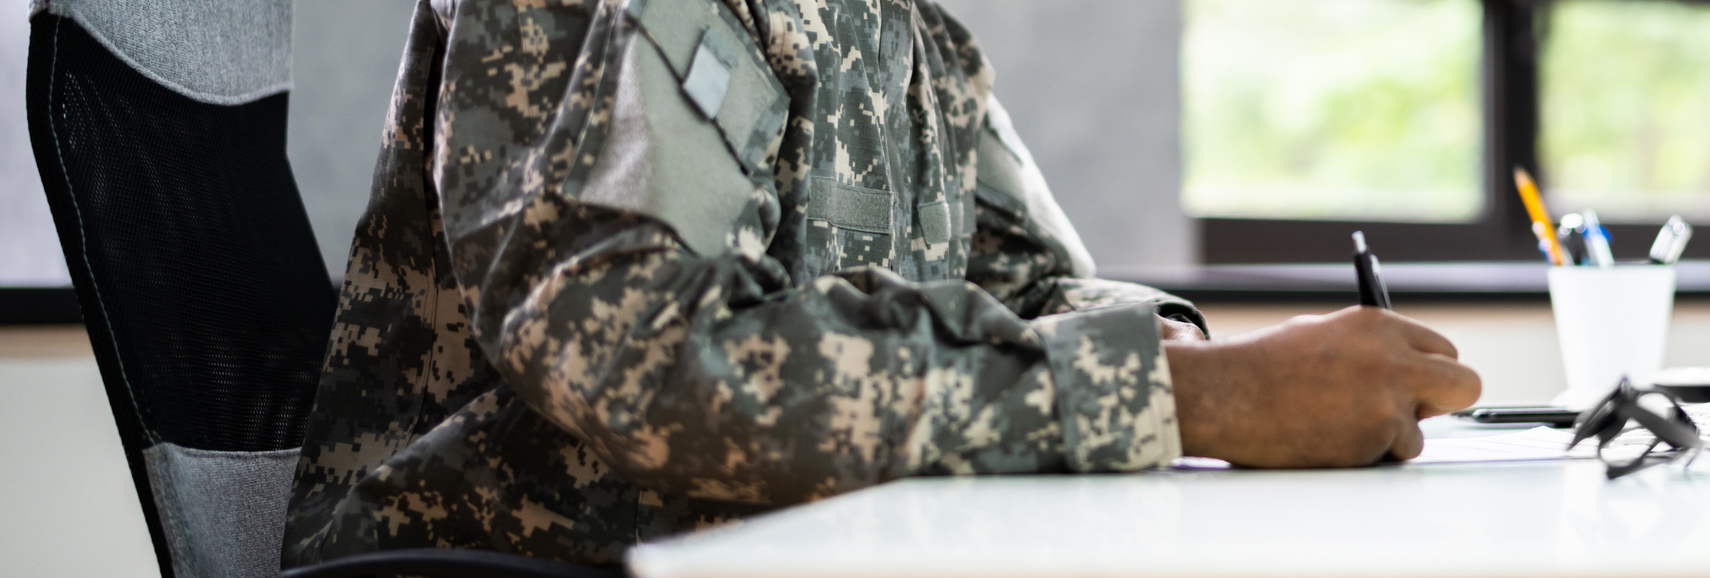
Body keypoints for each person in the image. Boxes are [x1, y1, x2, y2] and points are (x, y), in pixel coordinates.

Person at [282, 0, 1481, 567]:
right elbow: (643, 353)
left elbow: (1023, 284)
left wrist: (1226, 374)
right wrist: (1189, 401)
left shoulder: (912, 37)